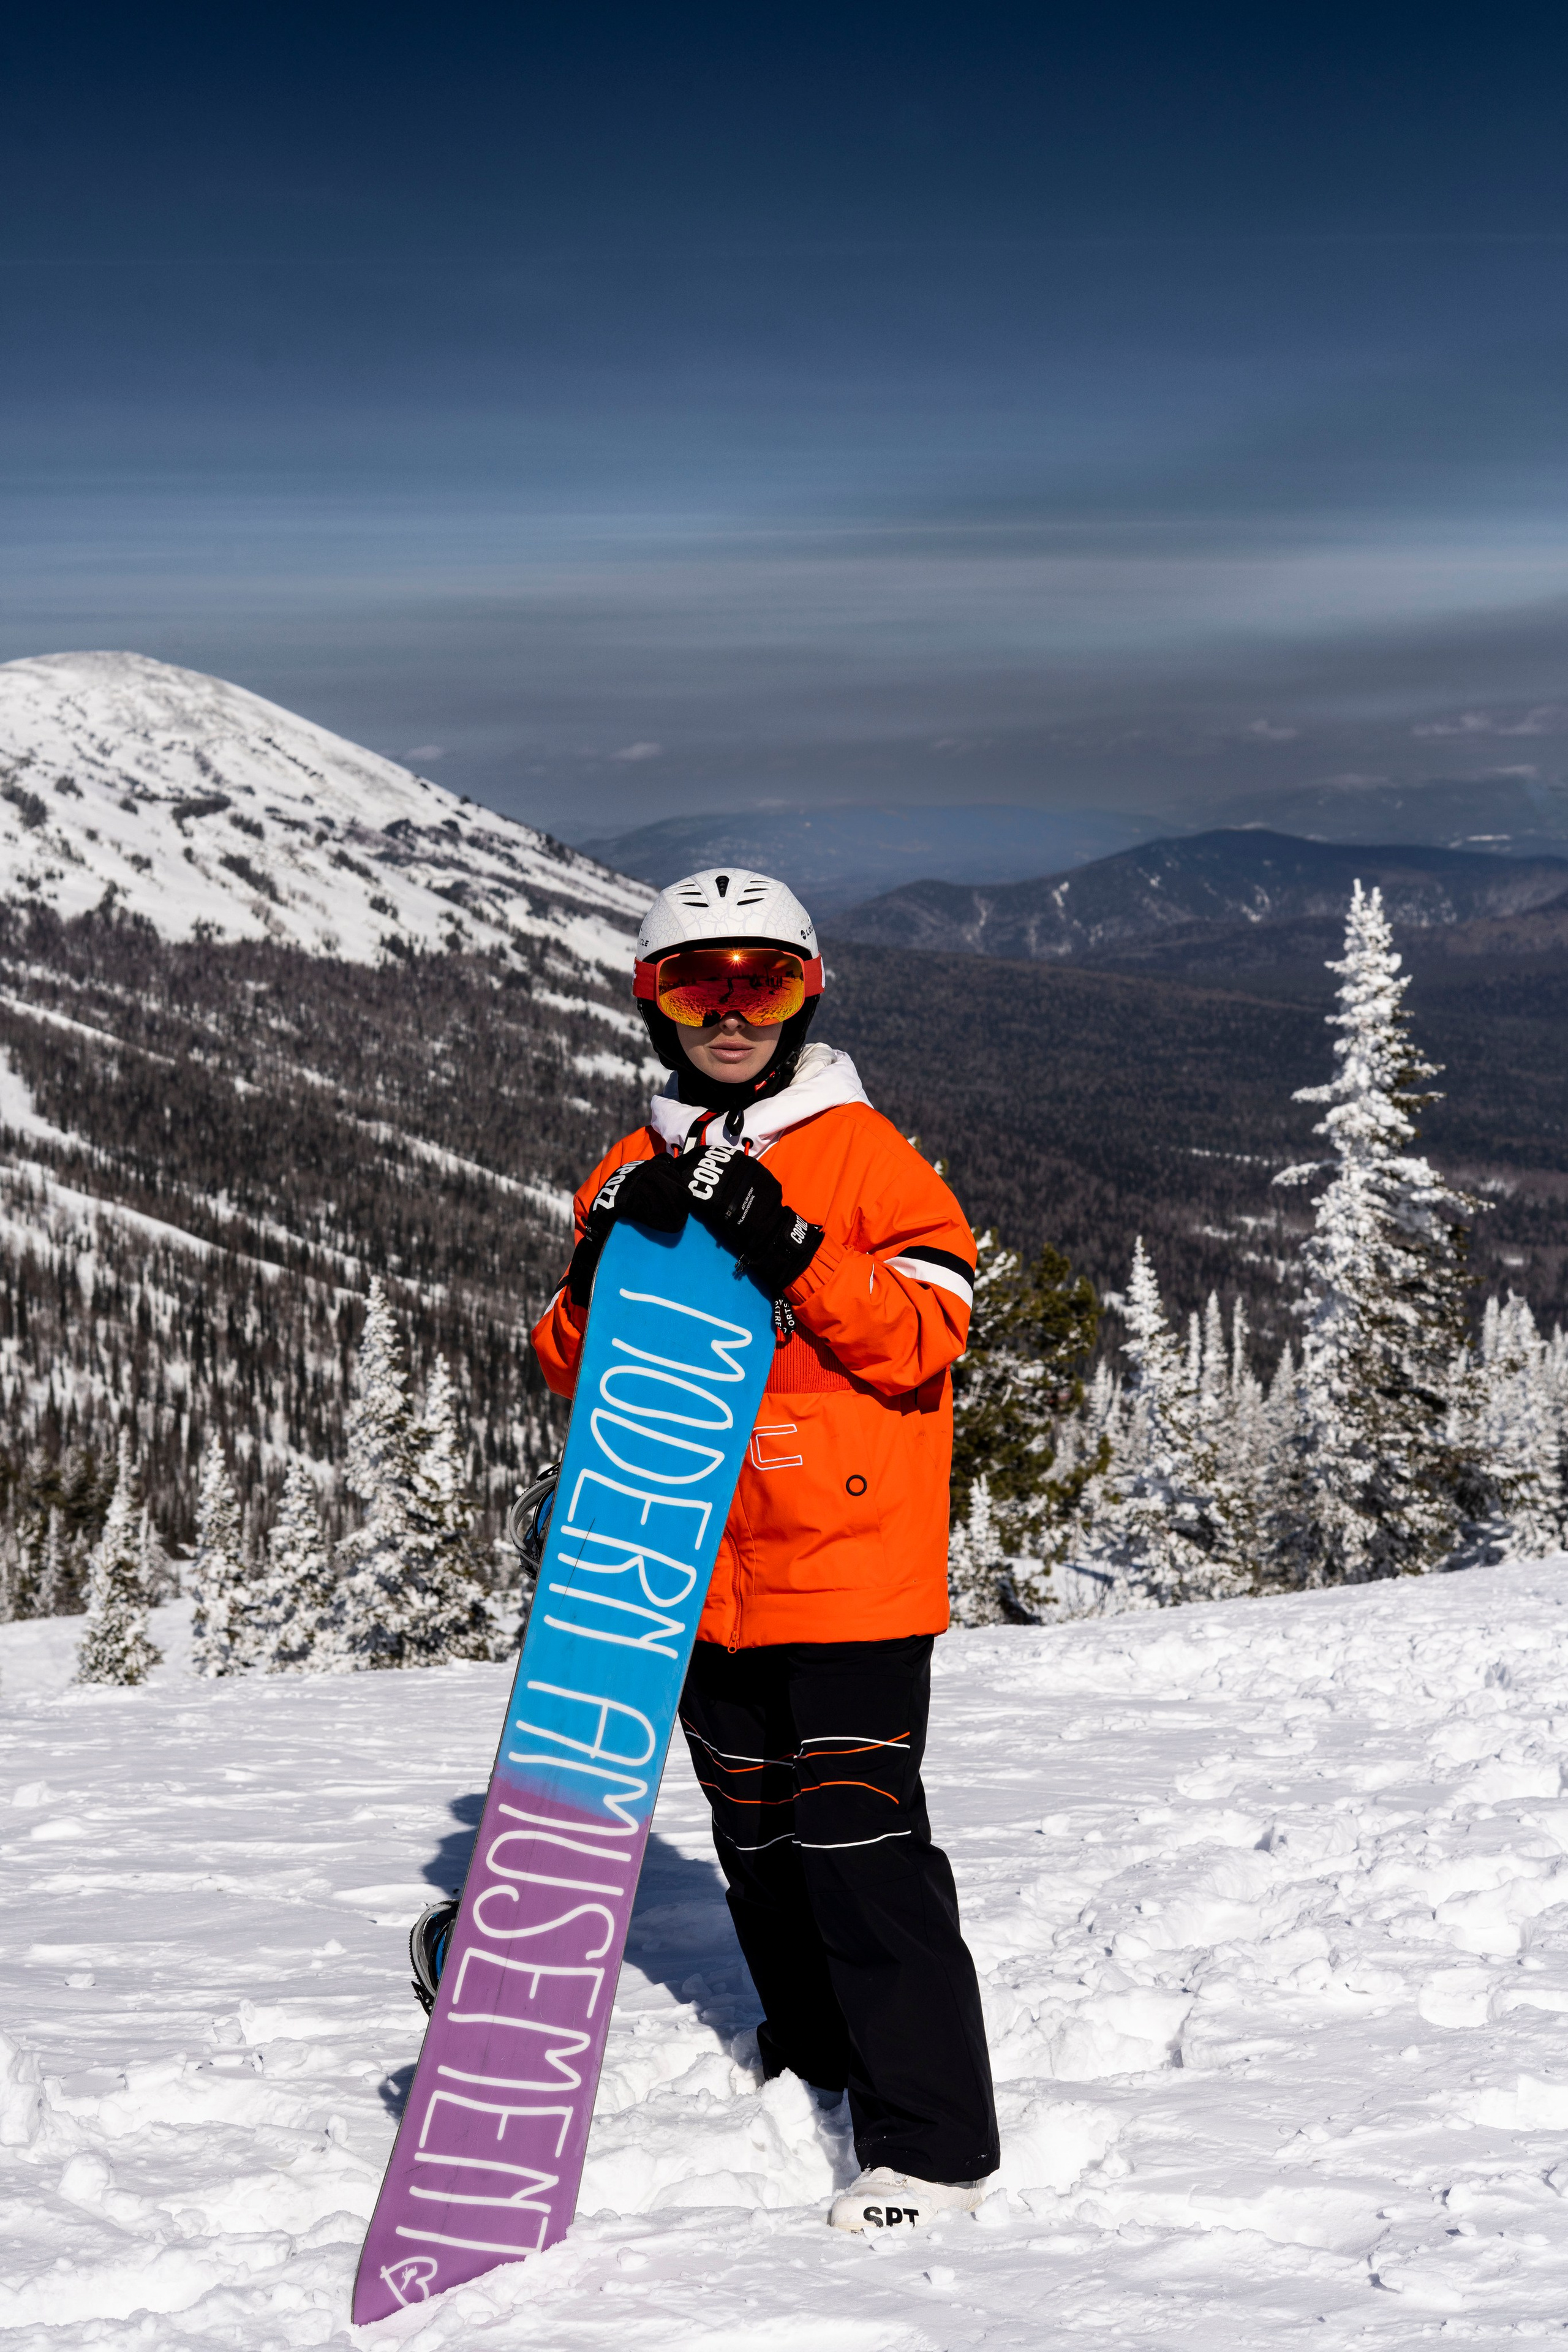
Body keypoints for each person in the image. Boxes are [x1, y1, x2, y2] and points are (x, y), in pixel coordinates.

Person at [530, 868, 1000, 2231]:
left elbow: (928, 1332)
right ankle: (820, 2051)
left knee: (859, 1847)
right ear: (653, 1004)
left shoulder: (863, 1151)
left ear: (806, 996)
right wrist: (587, 1273)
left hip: (847, 1565)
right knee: (755, 1838)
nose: (730, 1014)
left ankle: (930, 2148)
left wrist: (792, 1244)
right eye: (697, 984)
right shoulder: (628, 1164)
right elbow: (571, 1366)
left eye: (762, 982)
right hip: (684, 1566)